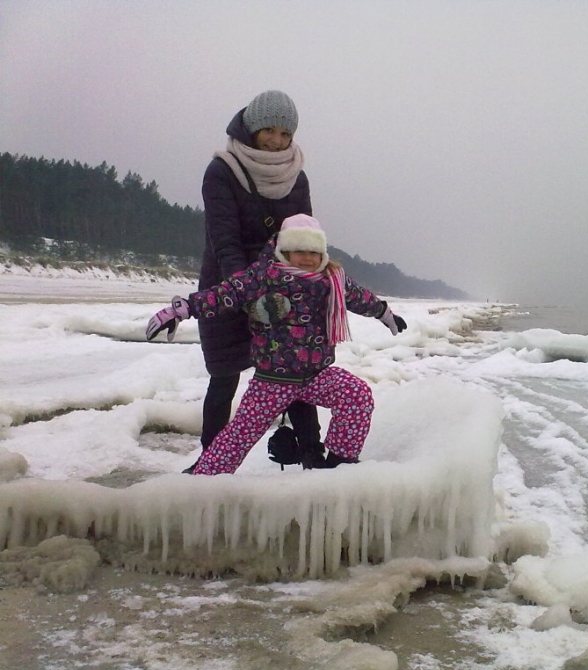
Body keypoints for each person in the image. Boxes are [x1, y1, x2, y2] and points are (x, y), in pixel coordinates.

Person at [146, 214, 407, 475]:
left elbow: (361, 298)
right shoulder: (264, 275)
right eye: (299, 250)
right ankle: (201, 482)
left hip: (317, 376)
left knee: (356, 395)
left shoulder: (332, 280)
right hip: (272, 380)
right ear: (284, 251)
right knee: (237, 437)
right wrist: (183, 309)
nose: (307, 258)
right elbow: (226, 293)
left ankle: (339, 465)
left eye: (313, 252)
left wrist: (385, 314)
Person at [194, 89, 319, 472]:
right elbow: (224, 240)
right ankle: (209, 461)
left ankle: (313, 454)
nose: (277, 140)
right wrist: (244, 292)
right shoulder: (222, 171)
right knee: (224, 374)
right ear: (252, 127)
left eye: (285, 133)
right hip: (228, 284)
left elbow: (304, 236)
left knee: (295, 371)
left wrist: (303, 285)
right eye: (269, 130)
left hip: (282, 289)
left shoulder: (296, 177)